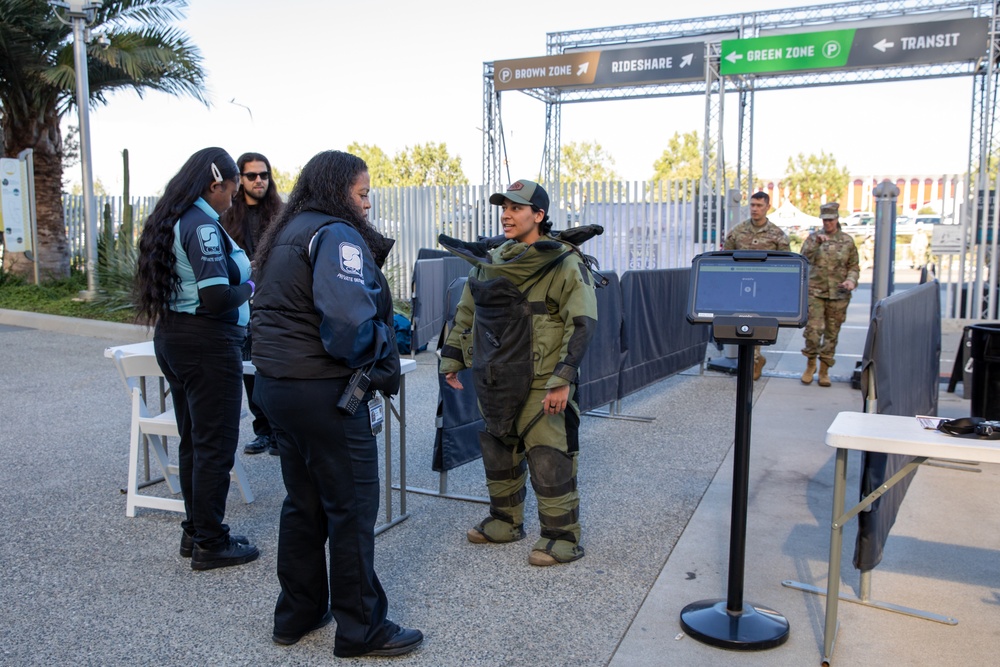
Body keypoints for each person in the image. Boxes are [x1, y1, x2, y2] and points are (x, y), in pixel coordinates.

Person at [250, 150, 422, 657]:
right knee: (350, 509)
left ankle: (298, 612)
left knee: (303, 504)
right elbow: (348, 324)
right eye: (362, 193)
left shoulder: (284, 231)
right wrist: (379, 361)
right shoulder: (336, 235)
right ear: (338, 190)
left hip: (278, 387)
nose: (367, 205)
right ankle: (361, 628)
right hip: (325, 392)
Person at [438, 179, 600, 566]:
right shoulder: (490, 263)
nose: (506, 215)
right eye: (504, 207)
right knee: (499, 451)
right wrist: (452, 359)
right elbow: (467, 313)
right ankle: (504, 521)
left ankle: (562, 538)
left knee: (549, 457)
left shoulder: (563, 262)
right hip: (495, 377)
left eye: (516, 208)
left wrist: (563, 379)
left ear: (539, 215)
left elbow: (582, 323)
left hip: (543, 381)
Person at [133, 147, 259, 570]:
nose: (235, 198)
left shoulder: (173, 219)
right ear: (215, 184)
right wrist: (252, 287)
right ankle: (211, 541)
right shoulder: (203, 226)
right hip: (207, 343)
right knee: (214, 445)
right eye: (233, 189)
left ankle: (196, 530)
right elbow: (219, 298)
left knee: (194, 439)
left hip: (175, 337)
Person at [220, 152, 283, 456]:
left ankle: (283, 433)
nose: (259, 180)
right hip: (243, 304)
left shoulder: (282, 213)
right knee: (248, 369)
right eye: (252, 175)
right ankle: (264, 432)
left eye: (264, 175)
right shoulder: (228, 216)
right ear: (240, 179)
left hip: (277, 304)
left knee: (276, 369)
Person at [723, 191, 790, 381]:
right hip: (740, 288)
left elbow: (786, 265)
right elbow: (726, 257)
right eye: (752, 205)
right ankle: (753, 360)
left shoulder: (777, 235)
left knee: (756, 325)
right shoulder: (737, 231)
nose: (755, 209)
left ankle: (753, 361)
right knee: (742, 324)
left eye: (759, 205)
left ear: (767, 207)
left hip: (764, 291)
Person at [799, 202, 860, 387]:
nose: (828, 224)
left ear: (837, 219)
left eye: (831, 220)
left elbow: (854, 266)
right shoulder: (813, 239)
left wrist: (851, 280)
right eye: (825, 220)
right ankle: (810, 365)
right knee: (813, 332)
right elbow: (803, 258)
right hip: (815, 293)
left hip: (839, 294)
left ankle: (825, 369)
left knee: (832, 334)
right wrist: (815, 245)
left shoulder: (847, 241)